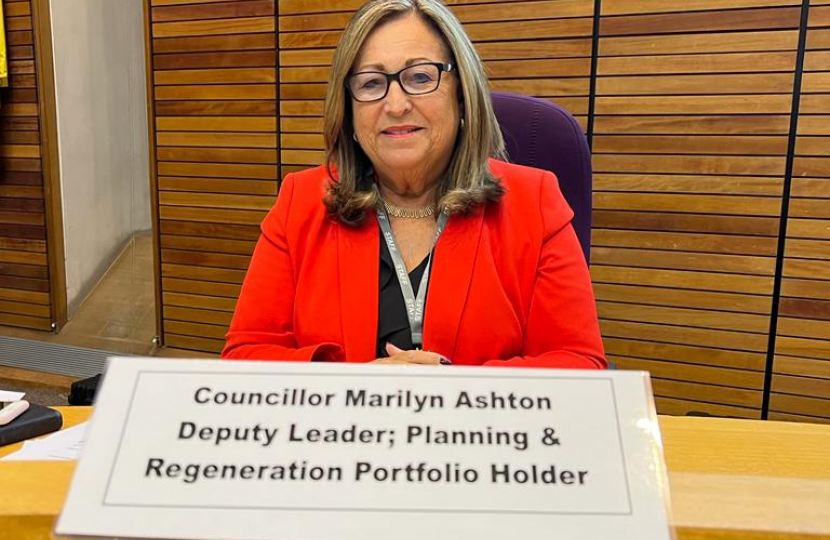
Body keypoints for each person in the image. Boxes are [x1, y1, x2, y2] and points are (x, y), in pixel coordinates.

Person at [221, 0, 605, 369]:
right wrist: (356, 387)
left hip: (479, 435)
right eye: (371, 83)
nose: (396, 104)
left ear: (462, 95)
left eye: (420, 76)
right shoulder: (300, 201)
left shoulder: (535, 201)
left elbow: (578, 366)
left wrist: (450, 396)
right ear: (349, 110)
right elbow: (244, 358)